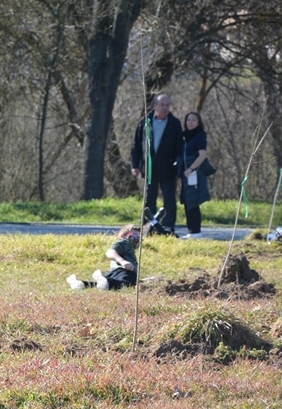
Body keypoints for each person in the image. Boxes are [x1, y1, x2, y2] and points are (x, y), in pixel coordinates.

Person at [131, 95, 183, 234]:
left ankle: (168, 228)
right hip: (150, 168)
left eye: (167, 105)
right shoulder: (145, 122)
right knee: (149, 200)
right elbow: (136, 144)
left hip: (168, 168)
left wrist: (178, 163)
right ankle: (148, 228)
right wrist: (135, 165)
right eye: (162, 105)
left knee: (169, 200)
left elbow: (180, 146)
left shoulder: (174, 123)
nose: (165, 108)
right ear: (155, 106)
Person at [66, 224, 140, 291]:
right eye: (134, 236)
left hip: (116, 273)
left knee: (107, 284)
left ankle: (81, 284)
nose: (137, 239)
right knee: (128, 285)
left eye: (139, 238)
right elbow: (110, 252)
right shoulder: (124, 242)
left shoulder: (129, 248)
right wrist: (122, 261)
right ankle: (104, 280)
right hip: (124, 271)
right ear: (123, 236)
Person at [179, 112, 210, 239]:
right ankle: (191, 231)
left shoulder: (200, 135)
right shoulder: (185, 137)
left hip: (194, 174)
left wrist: (191, 169)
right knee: (187, 201)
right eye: (188, 120)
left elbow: (202, 155)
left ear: (198, 122)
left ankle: (196, 231)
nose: (190, 122)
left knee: (193, 202)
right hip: (186, 174)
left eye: (193, 120)